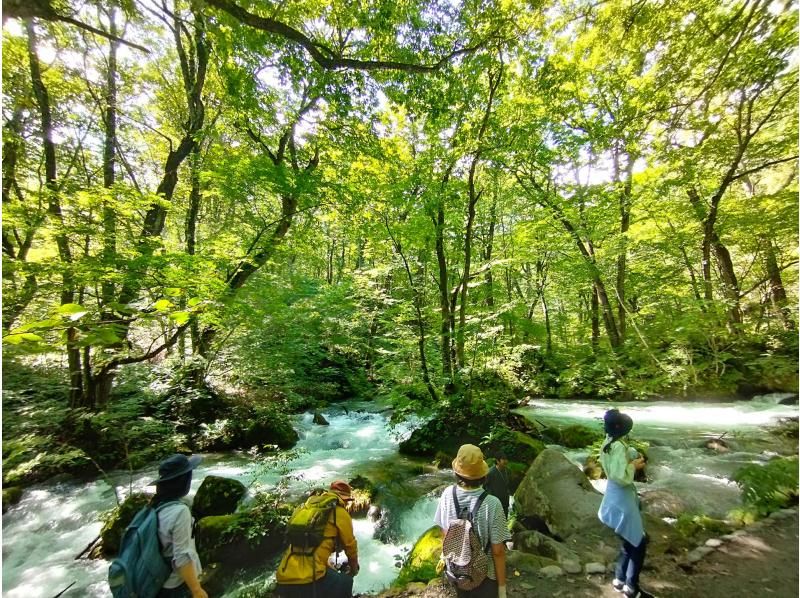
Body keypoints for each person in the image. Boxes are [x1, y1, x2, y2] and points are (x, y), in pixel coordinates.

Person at [435, 444, 511, 598]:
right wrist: (502, 588)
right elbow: (498, 551)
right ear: (483, 475)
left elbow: (445, 533)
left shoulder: (447, 495)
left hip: (456, 571)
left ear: (457, 472)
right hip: (485, 577)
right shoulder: (493, 503)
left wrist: (446, 558)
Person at [598, 410, 652, 598]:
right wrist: (634, 466)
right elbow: (620, 477)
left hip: (614, 495)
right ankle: (631, 588)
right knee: (638, 542)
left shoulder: (608, 443)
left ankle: (620, 579)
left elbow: (613, 467)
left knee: (628, 539)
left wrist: (631, 456)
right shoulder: (618, 446)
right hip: (622, 497)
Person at [276, 480, 360, 598]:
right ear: (344, 499)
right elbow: (350, 545)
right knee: (346, 582)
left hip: (283, 578)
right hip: (309, 581)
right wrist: (354, 568)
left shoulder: (307, 509)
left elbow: (312, 551)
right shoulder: (339, 512)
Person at [151, 453, 207, 598]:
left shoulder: (157, 506)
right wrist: (196, 590)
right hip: (174, 586)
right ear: (183, 481)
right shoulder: (180, 512)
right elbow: (181, 557)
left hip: (158, 583)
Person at [485, 451, 511, 518]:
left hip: (505, 502)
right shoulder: (490, 472)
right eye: (503, 459)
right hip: (494, 503)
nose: (506, 461)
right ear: (497, 460)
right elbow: (484, 487)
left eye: (506, 459)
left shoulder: (507, 471)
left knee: (504, 521)